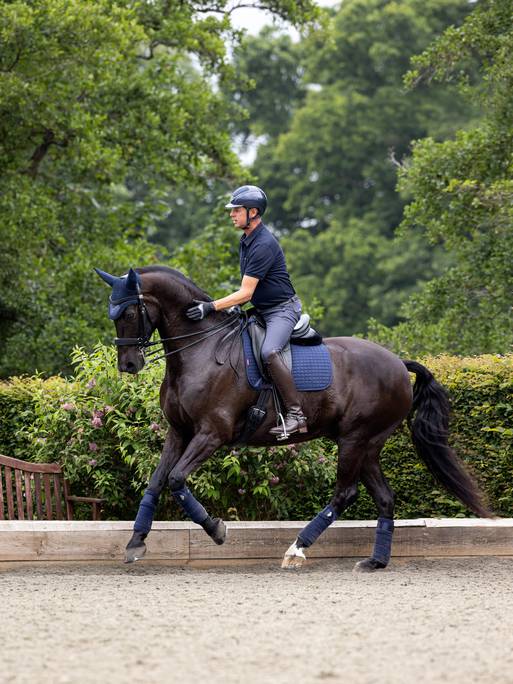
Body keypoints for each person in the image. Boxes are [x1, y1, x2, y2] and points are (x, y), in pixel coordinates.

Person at [186, 185, 307, 437]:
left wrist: (210, 307)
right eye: (232, 211)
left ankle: (297, 415)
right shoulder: (247, 240)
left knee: (270, 352)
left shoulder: (263, 244)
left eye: (237, 210)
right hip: (262, 310)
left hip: (281, 310)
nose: (232, 214)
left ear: (253, 212)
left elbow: (245, 292)